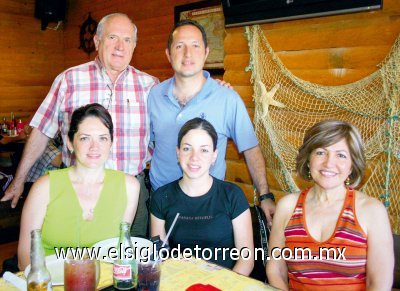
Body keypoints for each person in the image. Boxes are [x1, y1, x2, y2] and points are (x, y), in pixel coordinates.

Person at [2, 13, 158, 238]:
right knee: (75, 261)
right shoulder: (69, 80)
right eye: (113, 37)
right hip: (76, 190)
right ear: (97, 41)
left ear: (134, 46)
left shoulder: (150, 86)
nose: (120, 46)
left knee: (128, 263)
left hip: (131, 191)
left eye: (127, 40)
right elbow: (42, 131)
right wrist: (18, 180)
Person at [148, 19, 275, 224]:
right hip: (161, 207)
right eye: (179, 46)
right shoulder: (154, 95)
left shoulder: (226, 98)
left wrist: (265, 195)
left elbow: (250, 149)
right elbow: (149, 144)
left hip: (209, 206)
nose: (187, 54)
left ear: (206, 52)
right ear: (168, 54)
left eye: (195, 46)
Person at [266, 120, 394, 290]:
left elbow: (379, 284)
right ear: (308, 159)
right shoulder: (287, 206)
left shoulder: (372, 210)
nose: (328, 163)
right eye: (320, 152)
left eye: (341, 155)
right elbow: (276, 269)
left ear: (351, 166)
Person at [17, 103, 140, 270]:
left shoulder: (129, 186)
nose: (94, 147)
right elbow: (25, 258)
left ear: (111, 142)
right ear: (69, 143)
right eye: (84, 138)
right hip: (51, 282)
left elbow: (120, 250)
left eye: (103, 138)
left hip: (101, 282)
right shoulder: (44, 187)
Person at [150, 118, 254, 275]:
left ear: (214, 156)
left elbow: (246, 260)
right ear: (178, 152)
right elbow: (159, 256)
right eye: (187, 149)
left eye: (204, 150)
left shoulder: (232, 195)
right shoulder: (161, 197)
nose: (194, 157)